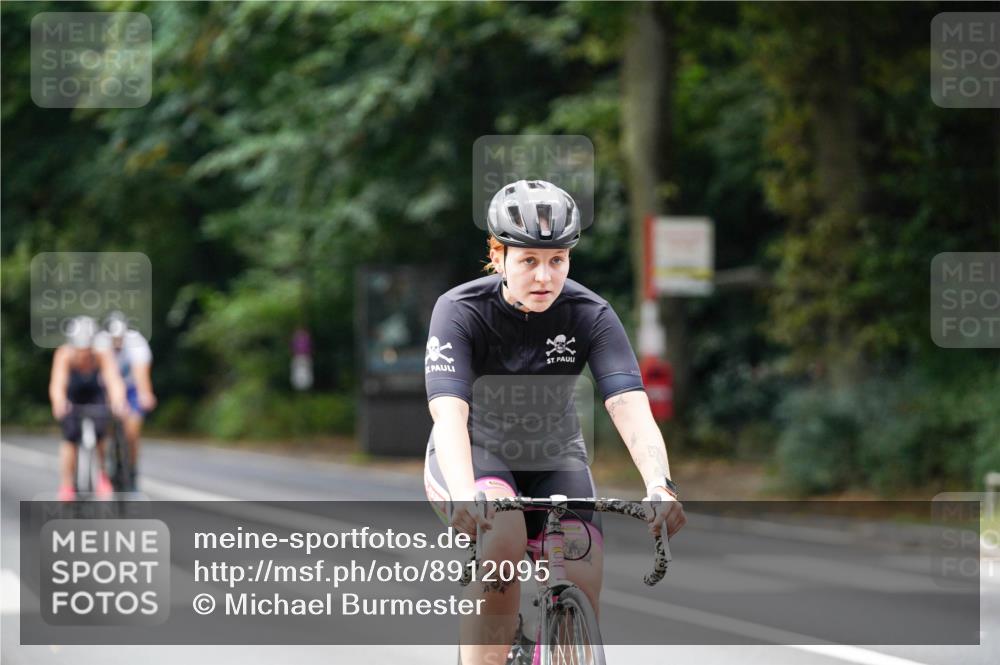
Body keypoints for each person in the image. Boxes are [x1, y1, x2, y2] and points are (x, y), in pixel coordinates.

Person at [422, 179, 687, 664]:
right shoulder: (459, 310)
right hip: (474, 453)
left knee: (584, 569)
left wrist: (659, 485)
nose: (544, 276)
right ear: (498, 256)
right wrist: (465, 493)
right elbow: (449, 412)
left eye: (557, 260)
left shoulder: (589, 313)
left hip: (554, 454)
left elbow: (628, 405)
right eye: (528, 261)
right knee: (502, 541)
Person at [49, 316, 128, 501]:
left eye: (87, 349)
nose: (83, 354)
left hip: (94, 394)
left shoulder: (101, 354)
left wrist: (118, 402)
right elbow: (57, 383)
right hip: (73, 396)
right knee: (70, 437)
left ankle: (102, 475)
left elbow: (114, 380)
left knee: (101, 431)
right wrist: (59, 402)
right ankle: (67, 484)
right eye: (80, 349)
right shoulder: (64, 354)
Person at [94, 311, 156, 490]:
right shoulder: (100, 343)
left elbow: (141, 373)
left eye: (120, 338)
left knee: (132, 432)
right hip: (105, 387)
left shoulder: (137, 343)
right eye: (114, 339)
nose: (118, 343)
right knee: (103, 429)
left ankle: (132, 471)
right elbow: (108, 375)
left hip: (131, 388)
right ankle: (104, 470)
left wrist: (145, 394)